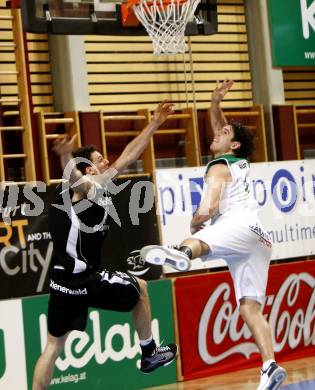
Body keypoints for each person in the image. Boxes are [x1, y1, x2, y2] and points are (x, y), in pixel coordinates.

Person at [141, 81, 287, 390]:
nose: (215, 133)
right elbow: (225, 130)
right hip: (260, 239)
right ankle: (270, 365)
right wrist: (215, 103)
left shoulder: (219, 165)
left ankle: (182, 253)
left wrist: (195, 224)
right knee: (250, 307)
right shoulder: (241, 161)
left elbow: (208, 207)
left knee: (197, 238)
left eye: (222, 134)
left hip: (238, 225)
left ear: (232, 145)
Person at [32, 101, 177, 390]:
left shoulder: (94, 185)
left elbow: (127, 156)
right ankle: (149, 354)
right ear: (88, 167)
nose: (107, 162)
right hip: (84, 278)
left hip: (61, 282)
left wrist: (154, 124)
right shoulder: (86, 187)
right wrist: (65, 158)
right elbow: (76, 180)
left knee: (53, 346)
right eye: (100, 159)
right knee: (141, 288)